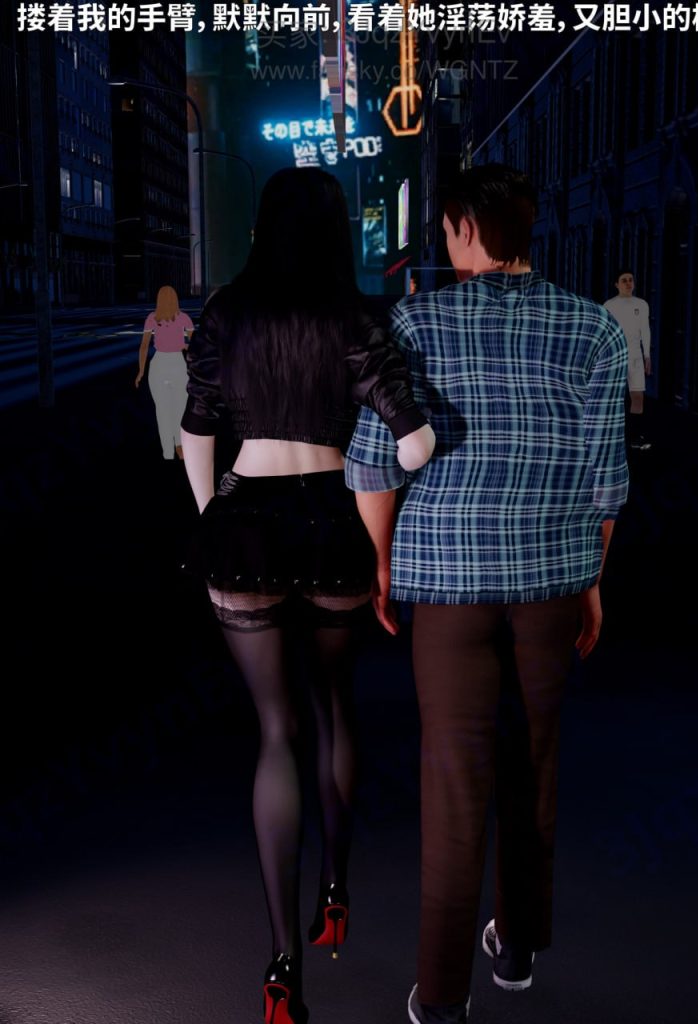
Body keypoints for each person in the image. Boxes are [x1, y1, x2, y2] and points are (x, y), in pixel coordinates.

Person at [344, 165, 629, 1024]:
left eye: (446, 227)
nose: (443, 239)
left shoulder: (415, 323)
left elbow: (373, 463)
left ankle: (440, 994)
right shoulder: (593, 328)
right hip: (553, 580)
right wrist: (592, 582)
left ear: (467, 227)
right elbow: (606, 481)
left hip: (448, 585)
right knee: (533, 763)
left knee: (455, 779)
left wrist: (384, 562)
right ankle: (517, 948)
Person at [179, 167, 435, 1024]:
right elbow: (416, 441)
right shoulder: (355, 316)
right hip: (333, 523)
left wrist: (215, 516)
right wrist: (384, 469)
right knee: (334, 709)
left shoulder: (227, 311)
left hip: (245, 522)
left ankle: (283, 965)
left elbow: (195, 429)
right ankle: (336, 890)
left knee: (276, 731)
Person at [135, 285, 194, 460]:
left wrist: (141, 371)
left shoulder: (152, 318)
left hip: (159, 365)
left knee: (162, 411)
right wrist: (183, 345)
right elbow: (195, 345)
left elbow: (144, 346)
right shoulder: (184, 318)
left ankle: (167, 453)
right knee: (179, 408)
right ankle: (179, 446)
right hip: (177, 364)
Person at [604, 269, 652, 449]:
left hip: (635, 355)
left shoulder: (642, 304)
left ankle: (634, 437)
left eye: (630, 280)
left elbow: (645, 330)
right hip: (615, 355)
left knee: (637, 397)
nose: (628, 283)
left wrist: (647, 355)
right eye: (624, 280)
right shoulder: (609, 305)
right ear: (616, 284)